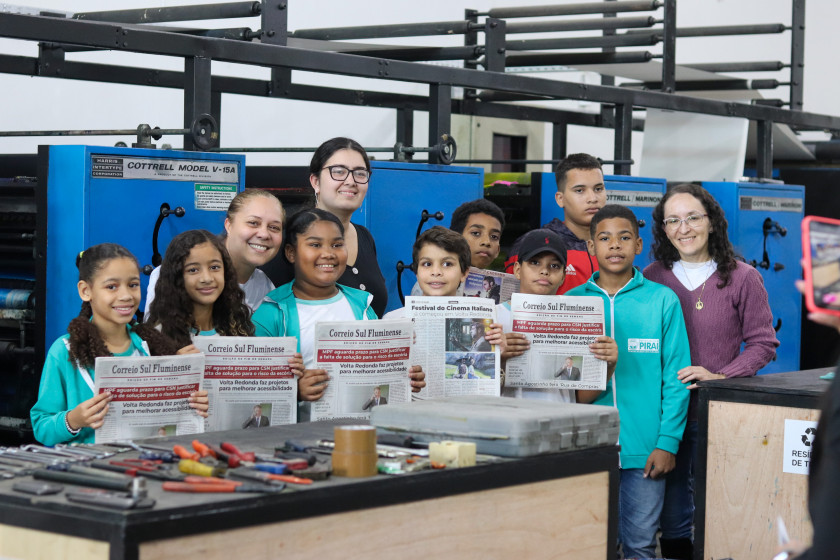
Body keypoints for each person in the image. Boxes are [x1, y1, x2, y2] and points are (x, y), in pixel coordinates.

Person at [644, 183, 779, 560]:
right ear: (663, 229)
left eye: (692, 217)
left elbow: (763, 344)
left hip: (718, 411)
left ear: (712, 221)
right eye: (673, 220)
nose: (683, 228)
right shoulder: (652, 275)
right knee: (672, 512)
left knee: (721, 504)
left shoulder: (743, 277)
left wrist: (722, 377)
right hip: (666, 413)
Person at [567, 205, 691, 559]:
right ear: (591, 246)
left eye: (624, 238)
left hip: (645, 450)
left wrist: (667, 443)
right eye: (604, 238)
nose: (614, 245)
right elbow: (562, 382)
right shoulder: (571, 302)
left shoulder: (662, 300)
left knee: (640, 546)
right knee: (589, 547)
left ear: (638, 245)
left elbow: (676, 379)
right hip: (588, 449)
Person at [252, 208, 425, 420]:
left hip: (363, 429)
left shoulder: (362, 304)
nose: (329, 253)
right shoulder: (272, 312)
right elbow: (251, 386)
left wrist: (405, 377)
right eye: (315, 245)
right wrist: (294, 391)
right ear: (291, 253)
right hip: (302, 434)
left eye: (337, 244)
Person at [30, 243, 208, 446]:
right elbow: (41, 427)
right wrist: (73, 420)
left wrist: (190, 398)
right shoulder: (64, 351)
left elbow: (168, 424)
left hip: (145, 459)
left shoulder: (153, 347)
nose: (126, 296)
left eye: (133, 285)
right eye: (111, 287)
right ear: (86, 291)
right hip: (90, 462)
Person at [261, 138, 388, 317]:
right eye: (339, 171)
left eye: (360, 173)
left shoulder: (364, 237)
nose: (351, 181)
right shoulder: (290, 236)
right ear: (316, 182)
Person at [497, 228, 616, 404]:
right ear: (517, 269)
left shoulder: (575, 321)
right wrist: (498, 358)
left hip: (560, 418)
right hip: (509, 419)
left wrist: (609, 365)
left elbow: (579, 399)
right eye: (535, 262)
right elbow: (476, 395)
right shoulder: (495, 317)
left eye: (554, 266)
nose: (544, 271)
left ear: (563, 276)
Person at [145, 188, 285, 315]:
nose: (264, 234)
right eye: (253, 223)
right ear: (228, 225)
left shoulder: (264, 287)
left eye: (274, 227)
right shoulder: (175, 273)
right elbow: (159, 332)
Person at [506, 153, 605, 294]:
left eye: (598, 189)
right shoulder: (531, 244)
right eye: (580, 190)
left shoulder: (615, 245)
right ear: (560, 199)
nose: (593, 198)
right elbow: (511, 302)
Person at [146, 229, 254, 350]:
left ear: (226, 272)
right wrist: (175, 360)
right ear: (176, 277)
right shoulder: (159, 337)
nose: (207, 278)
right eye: (193, 270)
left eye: (214, 267)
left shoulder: (238, 328)